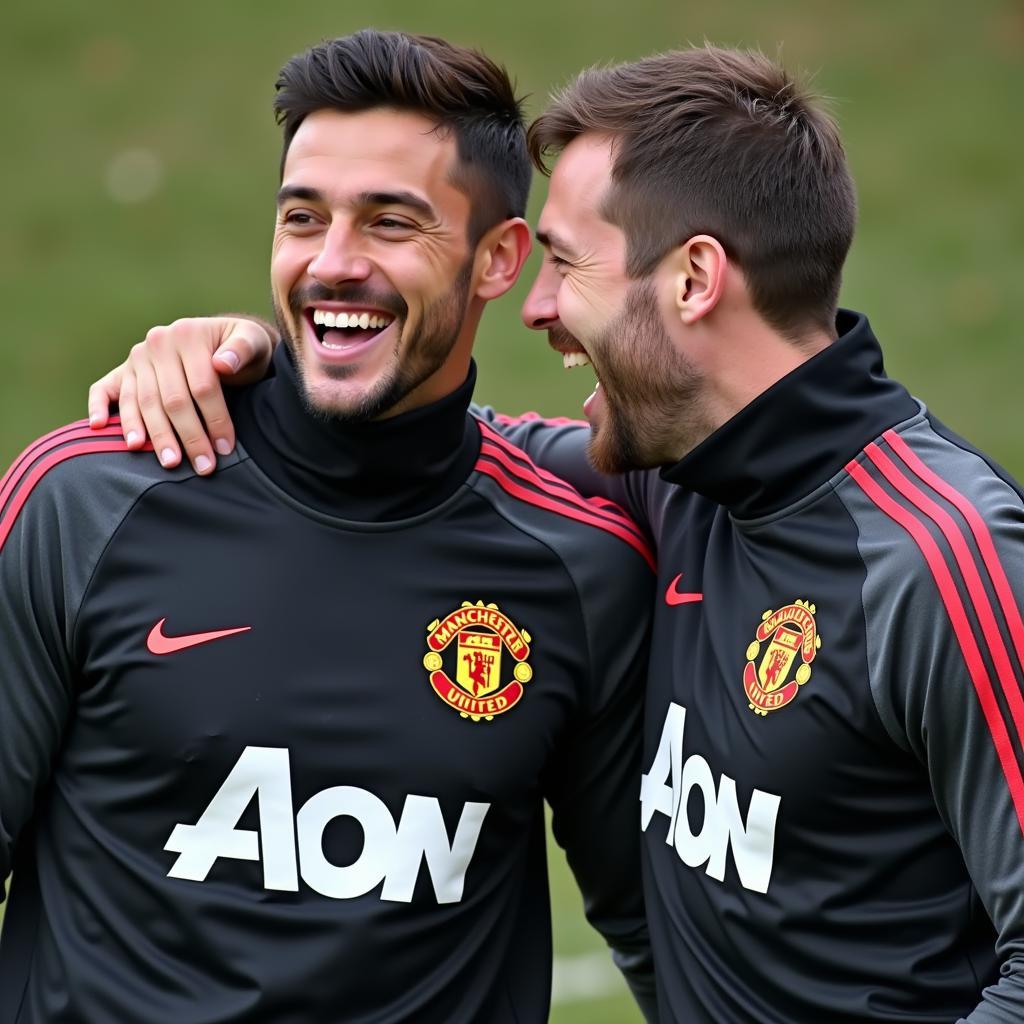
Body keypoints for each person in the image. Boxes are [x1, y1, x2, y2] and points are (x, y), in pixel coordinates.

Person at [102, 44, 1024, 1022]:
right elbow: (427, 456)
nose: (535, 306)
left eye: (566, 261)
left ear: (692, 279)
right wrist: (240, 364)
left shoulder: (942, 561)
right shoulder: (672, 481)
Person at [0, 31, 660, 1024]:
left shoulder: (582, 557)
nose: (333, 264)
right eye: (304, 217)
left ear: (497, 261)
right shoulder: (87, 499)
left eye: (391, 223)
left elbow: (657, 930)